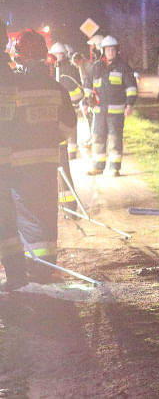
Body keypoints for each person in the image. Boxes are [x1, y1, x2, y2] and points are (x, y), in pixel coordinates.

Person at [10, 29, 77, 282]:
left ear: (19, 58)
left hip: (20, 163)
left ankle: (33, 263)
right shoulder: (56, 88)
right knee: (47, 209)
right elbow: (69, 127)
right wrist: (50, 139)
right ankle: (46, 262)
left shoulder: (13, 88)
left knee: (26, 212)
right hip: (48, 161)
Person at [82, 35, 137, 176]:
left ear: (117, 51)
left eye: (113, 50)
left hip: (116, 112)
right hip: (99, 111)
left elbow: (131, 87)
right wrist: (86, 102)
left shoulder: (123, 67)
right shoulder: (96, 67)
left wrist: (129, 105)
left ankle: (114, 167)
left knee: (114, 138)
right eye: (108, 50)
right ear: (103, 51)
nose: (110, 52)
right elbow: (87, 86)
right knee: (97, 137)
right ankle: (98, 166)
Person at [0, 24, 27, 291]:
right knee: (5, 217)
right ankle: (17, 273)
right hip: (7, 158)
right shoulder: (11, 75)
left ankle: (17, 274)